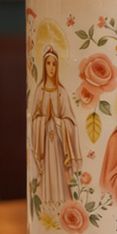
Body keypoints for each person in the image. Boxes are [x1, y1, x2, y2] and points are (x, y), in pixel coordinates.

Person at [30, 46, 82, 205]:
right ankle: (48, 203)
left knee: (58, 171)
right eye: (48, 63)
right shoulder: (39, 91)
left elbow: (70, 121)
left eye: (54, 64)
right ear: (44, 66)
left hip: (59, 141)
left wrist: (59, 122)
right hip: (44, 140)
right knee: (47, 173)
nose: (51, 68)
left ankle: (61, 202)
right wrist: (43, 120)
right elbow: (33, 118)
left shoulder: (62, 92)